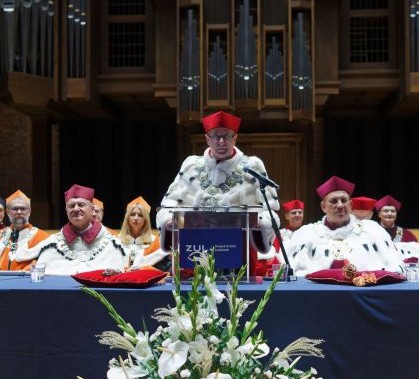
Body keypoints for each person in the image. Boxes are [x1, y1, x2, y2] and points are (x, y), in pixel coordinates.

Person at [156, 110, 280, 256]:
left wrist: (261, 223)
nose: (221, 141)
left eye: (226, 136)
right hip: (196, 248)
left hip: (240, 250)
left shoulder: (252, 166)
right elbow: (168, 205)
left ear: (234, 138)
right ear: (208, 139)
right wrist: (168, 221)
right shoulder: (191, 166)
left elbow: (270, 211)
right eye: (216, 136)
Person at [286, 176, 404, 277]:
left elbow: (393, 269)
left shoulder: (373, 231)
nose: (340, 205)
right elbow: (293, 275)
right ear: (323, 207)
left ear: (351, 204)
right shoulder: (307, 235)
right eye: (333, 201)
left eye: (344, 200)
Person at [34, 184, 127, 275]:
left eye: (81, 205)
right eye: (71, 206)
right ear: (66, 211)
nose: (76, 209)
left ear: (92, 209)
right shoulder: (53, 243)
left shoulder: (110, 243)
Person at [0, 190, 49, 271]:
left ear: (29, 211)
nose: (19, 212)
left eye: (23, 208)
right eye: (15, 209)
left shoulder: (43, 238)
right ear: (7, 212)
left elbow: (46, 264)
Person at [117, 196, 168, 269]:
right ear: (127, 218)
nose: (136, 218)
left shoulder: (155, 242)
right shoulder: (117, 240)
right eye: (133, 214)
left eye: (140, 215)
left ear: (145, 220)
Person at [375, 195, 419, 262]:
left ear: (396, 214)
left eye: (393, 211)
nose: (390, 213)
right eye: (386, 211)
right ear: (379, 214)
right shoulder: (372, 232)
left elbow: (416, 257)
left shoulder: (408, 235)